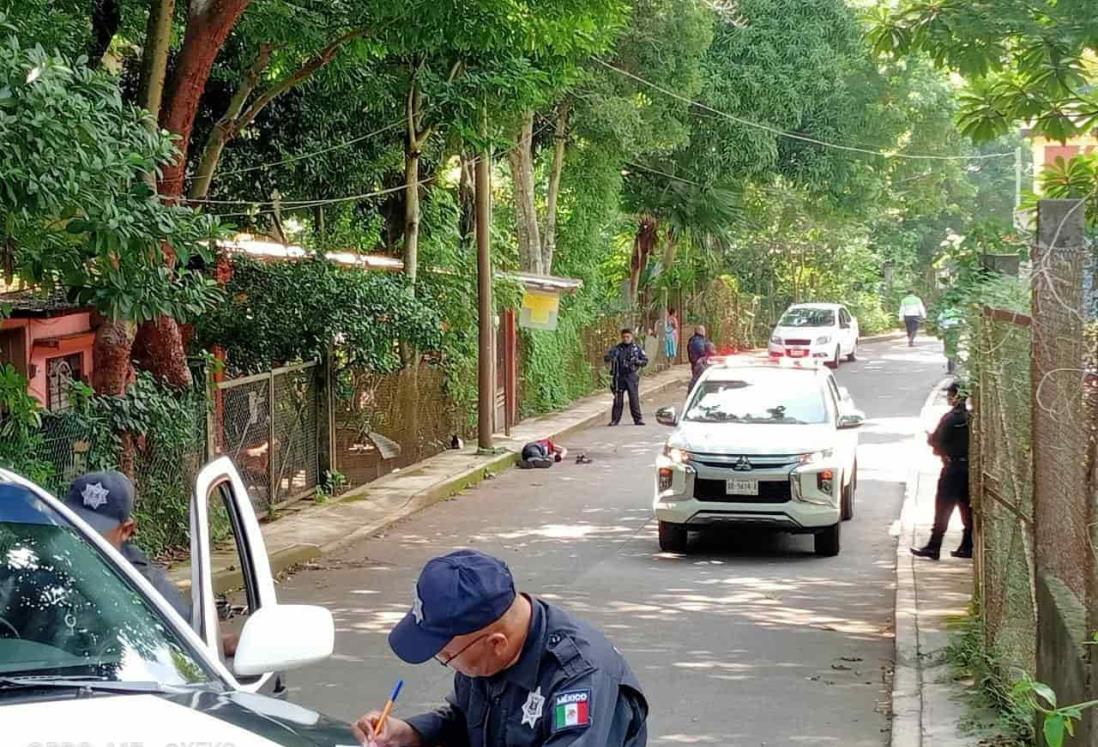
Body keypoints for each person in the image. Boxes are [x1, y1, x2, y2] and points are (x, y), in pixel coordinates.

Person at [353, 550, 648, 747]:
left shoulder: (579, 680)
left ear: (496, 644)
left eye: (445, 656)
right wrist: (409, 733)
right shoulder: (485, 653)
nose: (443, 661)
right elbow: (466, 719)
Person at [63, 470, 238, 654]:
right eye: (73, 524)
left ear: (126, 530)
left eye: (96, 530)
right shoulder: (43, 562)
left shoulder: (142, 585)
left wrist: (222, 645)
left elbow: (191, 640)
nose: (81, 536)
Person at [911, 382, 973, 561]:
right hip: (968, 467)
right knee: (966, 507)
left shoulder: (950, 418)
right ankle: (967, 545)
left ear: (954, 396)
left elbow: (937, 440)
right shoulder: (971, 418)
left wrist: (930, 438)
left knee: (943, 507)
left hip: (952, 468)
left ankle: (934, 545)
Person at [605, 328, 648, 426]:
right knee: (617, 400)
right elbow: (608, 357)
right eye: (624, 337)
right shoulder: (617, 349)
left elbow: (645, 360)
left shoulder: (636, 349)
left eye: (628, 337)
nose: (626, 339)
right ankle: (615, 420)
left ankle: (638, 419)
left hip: (631, 376)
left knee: (634, 398)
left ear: (632, 337)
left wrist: (637, 362)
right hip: (619, 376)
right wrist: (610, 358)